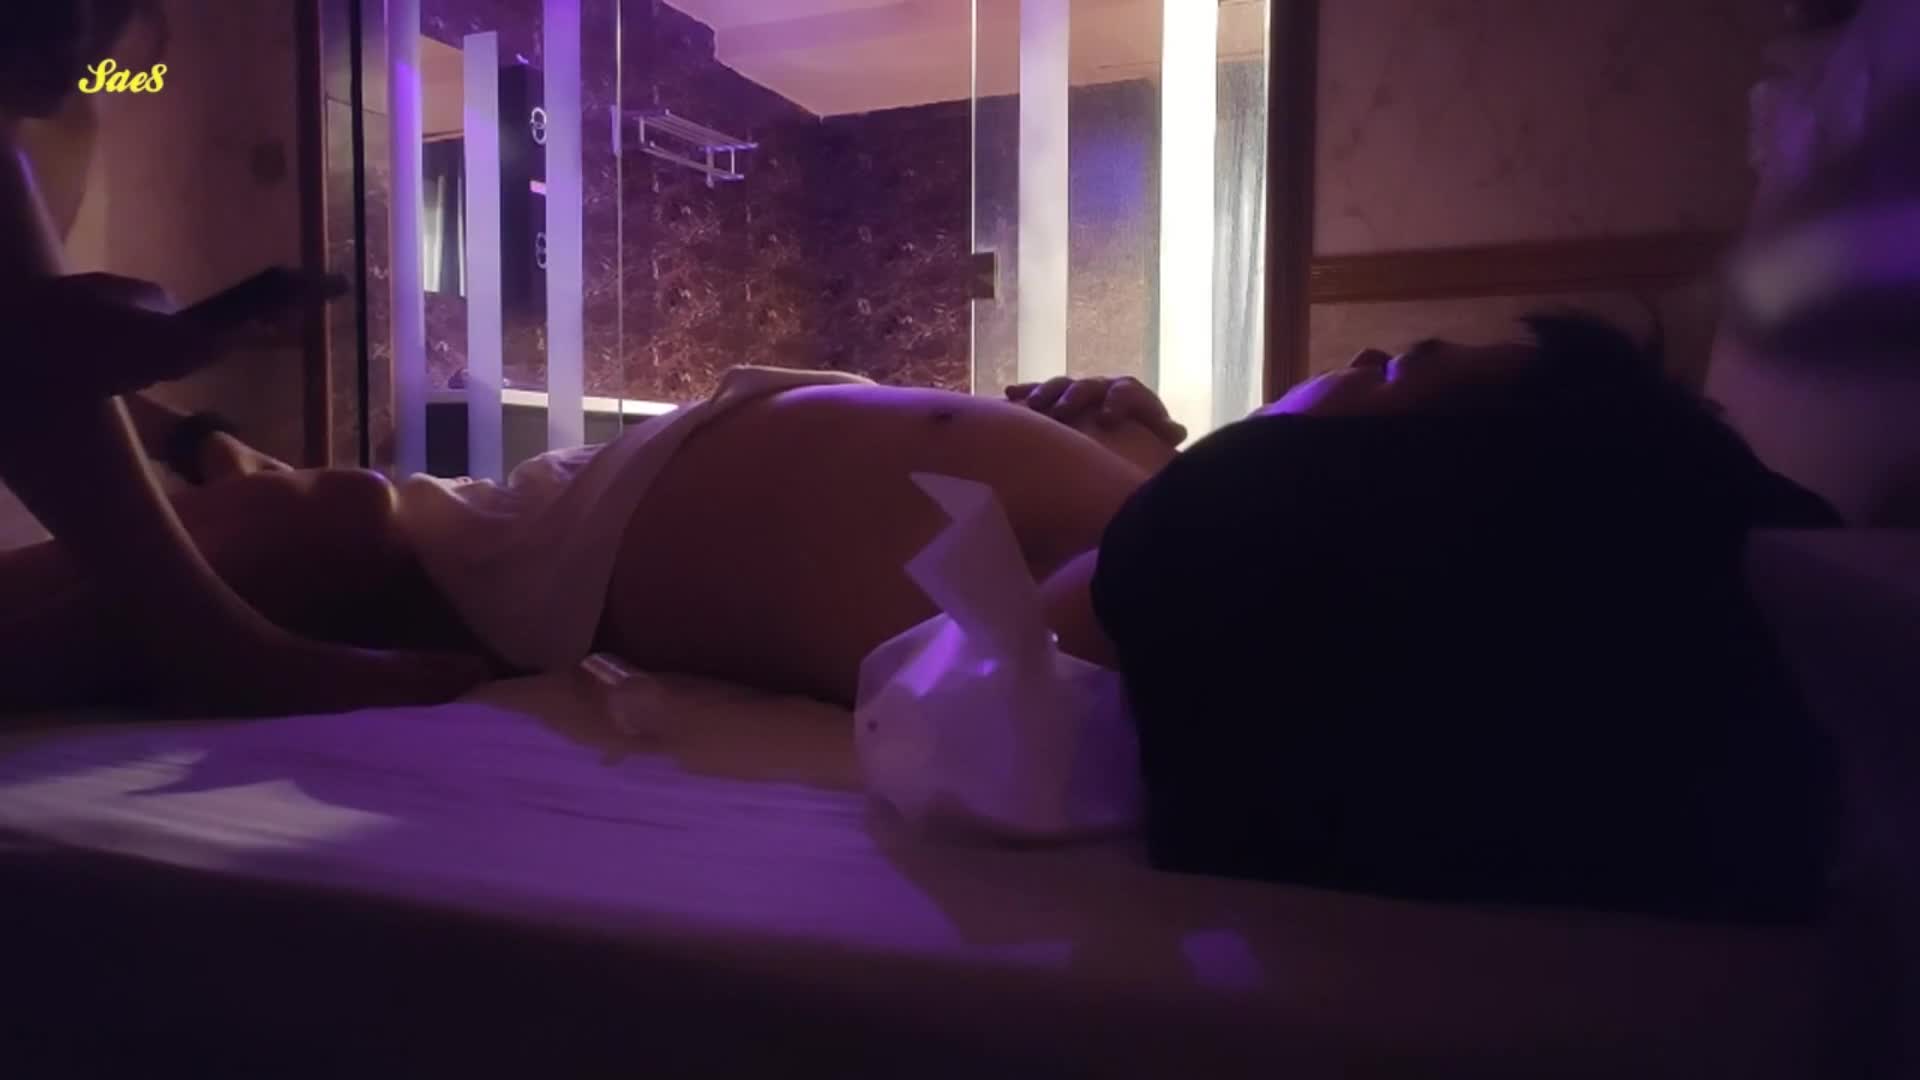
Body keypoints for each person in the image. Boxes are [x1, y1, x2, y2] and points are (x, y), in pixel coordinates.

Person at [0, 0, 487, 715]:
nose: (78, 35)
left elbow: (23, 371)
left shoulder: (48, 128)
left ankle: (208, 641)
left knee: (341, 511)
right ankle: (211, 647)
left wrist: (193, 437)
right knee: (323, 533)